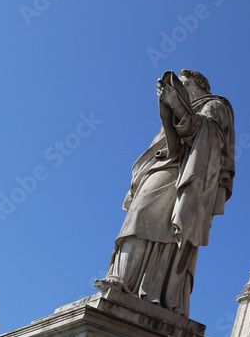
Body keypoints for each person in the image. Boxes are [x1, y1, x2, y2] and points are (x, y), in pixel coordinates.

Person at [96, 70, 234, 317]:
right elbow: (169, 137)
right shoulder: (193, 105)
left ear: (198, 86)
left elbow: (210, 136)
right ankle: (120, 279)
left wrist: (179, 106)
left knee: (145, 217)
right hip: (164, 163)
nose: (181, 87)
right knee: (136, 217)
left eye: (184, 84)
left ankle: (145, 287)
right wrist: (171, 106)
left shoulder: (215, 104)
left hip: (184, 172)